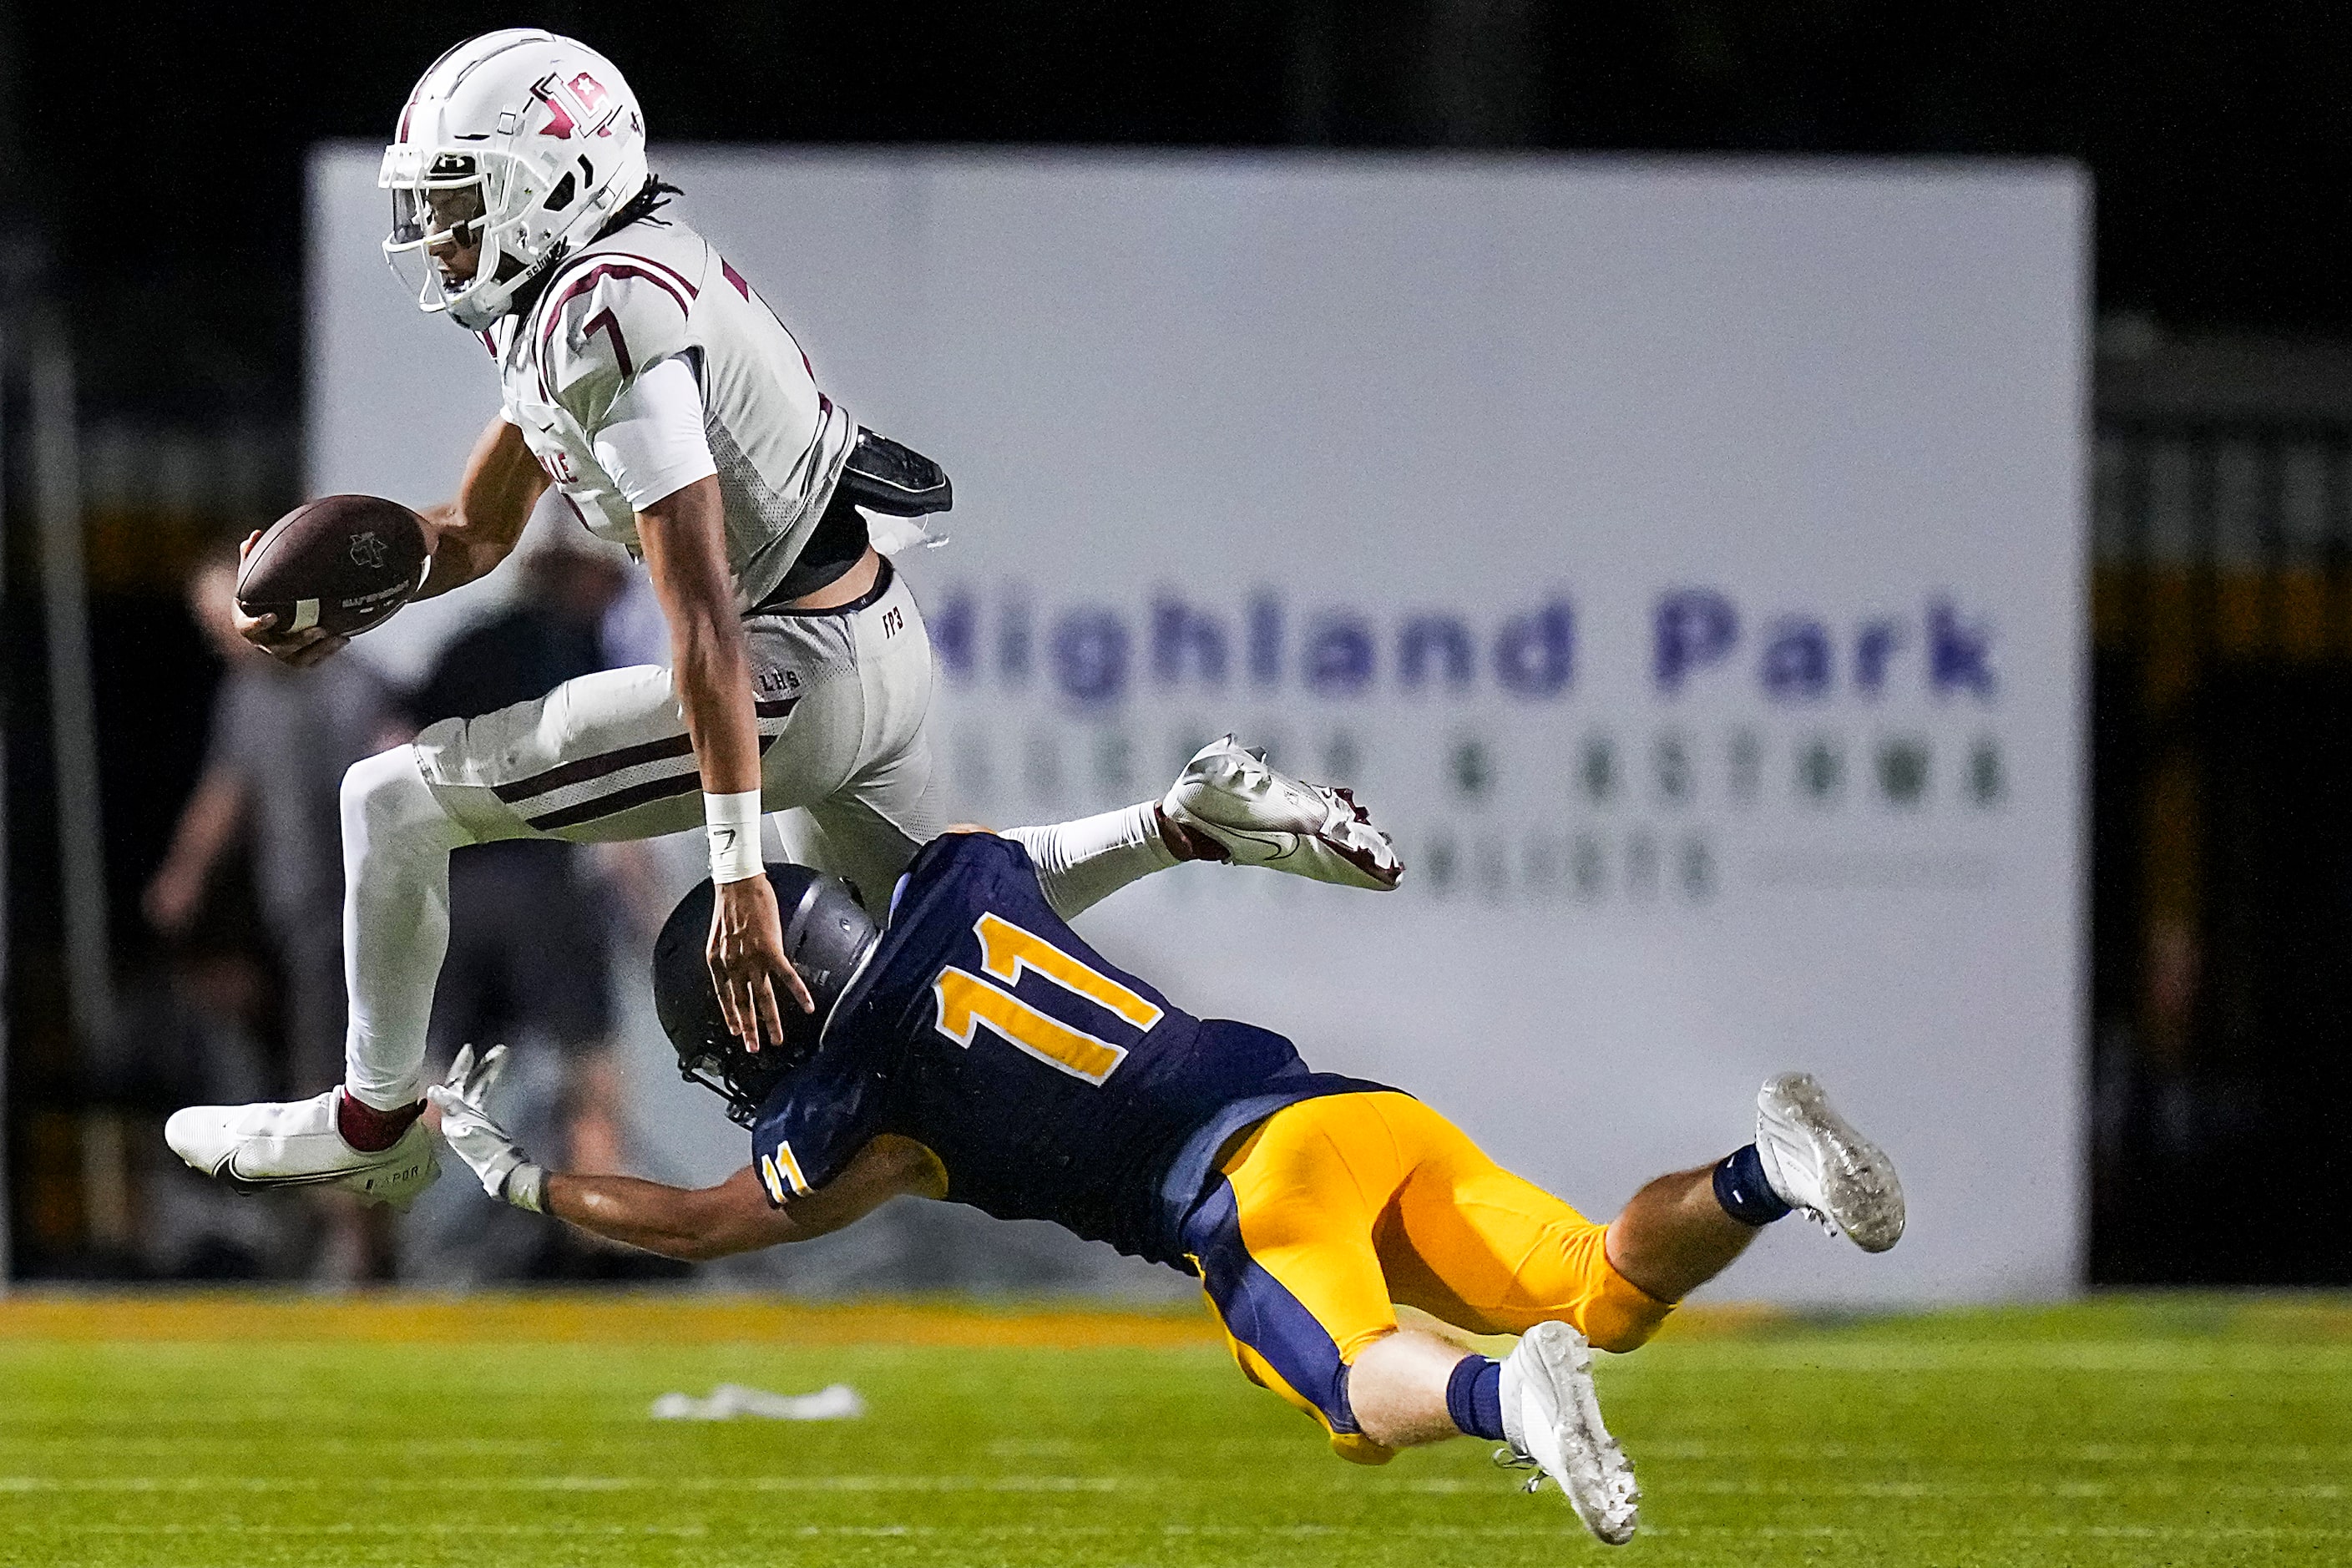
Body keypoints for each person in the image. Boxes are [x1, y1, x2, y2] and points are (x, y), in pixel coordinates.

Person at [162, 28, 1403, 1206]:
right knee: (947, 922)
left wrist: (738, 869)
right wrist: (355, 602)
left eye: (460, 198)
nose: (437, 234)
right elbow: (472, 535)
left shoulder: (602, 319)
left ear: (553, 181)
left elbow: (698, 616)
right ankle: (1184, 819)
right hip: (870, 641)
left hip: (787, 672)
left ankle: (373, 1128)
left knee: (391, 798)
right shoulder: (590, 288)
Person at [428, 827, 1905, 1546]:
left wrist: (518, 1176)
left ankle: (1513, 1399)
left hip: (1245, 1193)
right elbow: (1059, 856)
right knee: (1601, 1280)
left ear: (770, 1009)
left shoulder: (866, 1104)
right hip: (1349, 1108)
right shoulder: (965, 884)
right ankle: (1766, 1171)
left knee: (1353, 1399)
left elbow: (699, 1221)